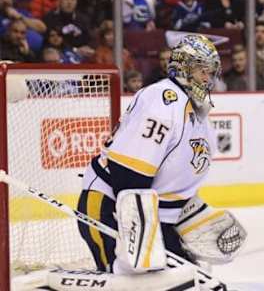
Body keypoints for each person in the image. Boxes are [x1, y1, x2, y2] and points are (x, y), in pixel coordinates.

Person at [77, 34, 246, 278]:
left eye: (211, 72)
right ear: (183, 69)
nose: (208, 79)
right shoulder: (163, 102)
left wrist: (193, 216)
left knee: (189, 279)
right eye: (202, 71)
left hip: (150, 217)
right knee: (126, 282)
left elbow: (177, 182)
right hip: (110, 208)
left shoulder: (198, 114)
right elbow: (129, 177)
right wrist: (145, 239)